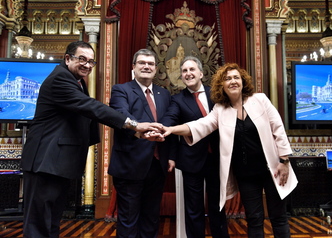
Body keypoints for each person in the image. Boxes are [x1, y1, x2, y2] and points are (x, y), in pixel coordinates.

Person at [20, 41, 162, 238]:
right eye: (82, 59)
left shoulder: (76, 80)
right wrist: (134, 125)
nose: (87, 65)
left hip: (56, 163)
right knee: (39, 225)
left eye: (90, 61)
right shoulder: (61, 78)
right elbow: (90, 107)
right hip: (44, 162)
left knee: (51, 221)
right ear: (67, 59)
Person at [155, 63, 298, 238]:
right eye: (228, 79)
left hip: (273, 169)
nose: (232, 81)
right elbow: (200, 125)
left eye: (236, 77)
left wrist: (284, 161)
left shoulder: (260, 99)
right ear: (222, 85)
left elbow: (278, 129)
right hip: (246, 175)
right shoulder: (220, 109)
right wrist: (172, 129)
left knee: (279, 218)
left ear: (243, 81)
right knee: (254, 219)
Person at [107, 48, 175, 238]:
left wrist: (170, 156)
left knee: (151, 218)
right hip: (130, 165)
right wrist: (142, 129)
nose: (146, 66)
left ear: (156, 69)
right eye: (142, 63)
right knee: (128, 220)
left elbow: (170, 122)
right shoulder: (121, 90)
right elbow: (121, 115)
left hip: (157, 165)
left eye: (151, 64)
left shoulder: (164, 94)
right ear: (134, 67)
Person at [161, 56, 229, 238]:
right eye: (184, 71)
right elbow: (170, 120)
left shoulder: (216, 94)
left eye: (192, 70)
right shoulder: (177, 100)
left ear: (201, 73)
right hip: (191, 160)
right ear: (181, 76)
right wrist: (161, 127)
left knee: (218, 206)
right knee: (193, 209)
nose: (188, 73)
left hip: (217, 159)